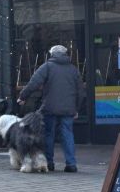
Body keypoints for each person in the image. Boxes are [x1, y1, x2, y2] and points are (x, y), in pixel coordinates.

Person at [18, 44, 85, 172]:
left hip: (50, 108)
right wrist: (76, 108)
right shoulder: (73, 69)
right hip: (68, 109)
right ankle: (71, 164)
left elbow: (34, 82)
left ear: (52, 54)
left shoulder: (47, 67)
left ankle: (49, 163)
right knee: (68, 135)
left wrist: (23, 96)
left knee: (49, 135)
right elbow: (80, 91)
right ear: (65, 54)